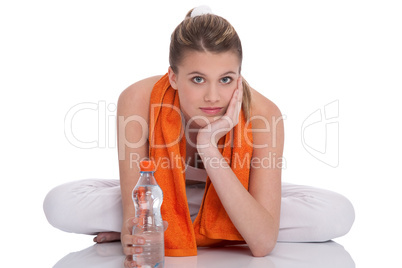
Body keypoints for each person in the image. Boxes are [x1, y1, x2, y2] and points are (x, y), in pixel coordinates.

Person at [43, 6, 355, 268]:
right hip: (161, 195)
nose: (213, 96)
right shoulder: (137, 100)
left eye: (226, 79)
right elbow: (134, 213)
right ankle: (211, 224)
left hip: (231, 191)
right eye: (197, 79)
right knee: (60, 204)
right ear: (173, 77)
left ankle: (188, 224)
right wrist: (135, 228)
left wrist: (208, 147)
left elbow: (262, 244)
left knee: (336, 213)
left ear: (239, 76)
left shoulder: (263, 114)